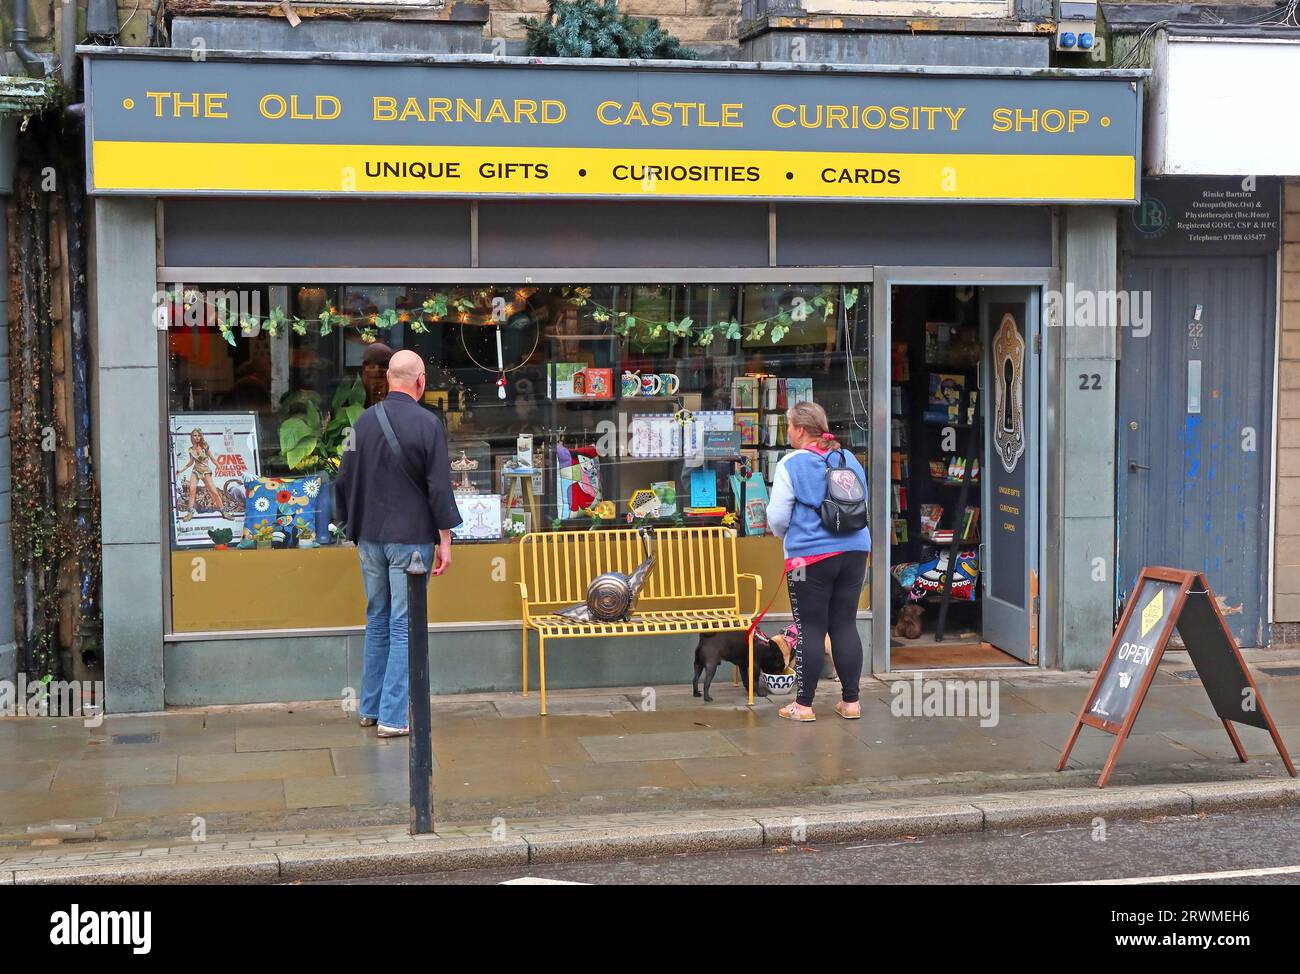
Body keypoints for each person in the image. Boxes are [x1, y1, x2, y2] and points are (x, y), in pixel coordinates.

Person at [334, 349, 462, 737]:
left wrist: (350, 526)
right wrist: (445, 539)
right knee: (404, 625)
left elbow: (342, 480)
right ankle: (392, 717)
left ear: (388, 379)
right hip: (410, 542)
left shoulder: (362, 423)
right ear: (420, 381)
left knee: (377, 619)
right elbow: (439, 487)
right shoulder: (428, 424)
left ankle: (370, 708)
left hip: (370, 538)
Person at [765, 401, 871, 722]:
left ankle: (804, 706)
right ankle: (850, 703)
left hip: (808, 557)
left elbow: (778, 517)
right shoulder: (848, 458)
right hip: (855, 550)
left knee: (810, 628)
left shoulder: (790, 464)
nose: (788, 432)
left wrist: (788, 537)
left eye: (789, 426)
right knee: (844, 624)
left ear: (800, 430)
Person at [178, 429, 221, 521]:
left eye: (198, 435)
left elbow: (212, 458)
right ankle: (190, 513)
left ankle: (223, 510)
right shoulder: (190, 449)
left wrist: (219, 467)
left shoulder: (205, 447)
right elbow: (190, 463)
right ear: (192, 437)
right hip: (195, 471)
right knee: (192, 490)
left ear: (201, 436)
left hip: (205, 471)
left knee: (214, 492)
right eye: (194, 435)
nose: (197, 437)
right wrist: (180, 471)